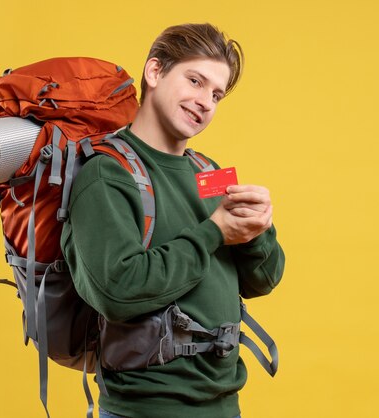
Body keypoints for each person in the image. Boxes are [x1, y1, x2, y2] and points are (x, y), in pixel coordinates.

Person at [61, 23, 285, 418]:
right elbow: (117, 290)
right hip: (144, 409)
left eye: (216, 94)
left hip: (223, 406)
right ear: (155, 72)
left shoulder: (207, 170)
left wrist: (259, 232)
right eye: (195, 81)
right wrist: (213, 232)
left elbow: (263, 281)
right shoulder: (105, 174)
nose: (205, 102)